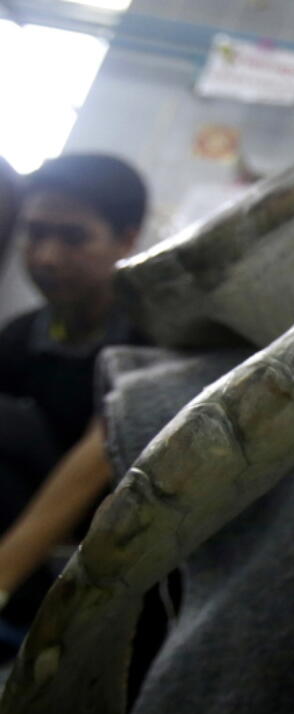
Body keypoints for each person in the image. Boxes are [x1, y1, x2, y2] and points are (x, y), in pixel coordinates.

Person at [0, 153, 148, 634]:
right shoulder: (21, 336)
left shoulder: (150, 340)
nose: (46, 256)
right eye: (36, 233)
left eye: (73, 237)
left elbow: (97, 455)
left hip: (98, 572)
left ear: (126, 239)